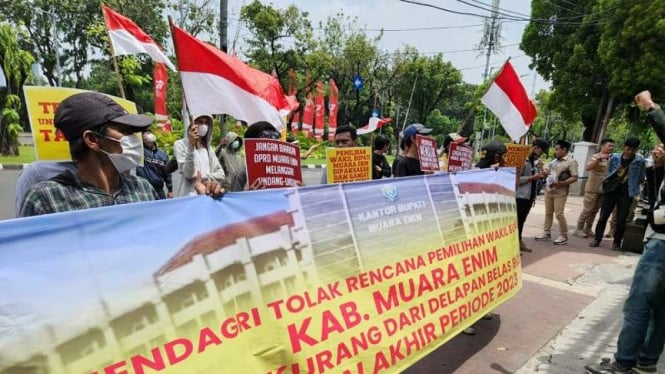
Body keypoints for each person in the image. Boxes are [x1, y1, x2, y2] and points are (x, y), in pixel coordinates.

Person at [19, 92, 222, 217]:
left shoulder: (142, 190)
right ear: (92, 139)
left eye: (134, 133)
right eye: (124, 132)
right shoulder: (47, 199)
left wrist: (210, 202)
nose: (134, 140)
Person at [584, 90, 665, 374]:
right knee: (660, 308)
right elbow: (656, 199)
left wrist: (651, 107)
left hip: (662, 245)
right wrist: (660, 169)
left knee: (639, 304)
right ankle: (646, 361)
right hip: (658, 235)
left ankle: (624, 363)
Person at [589, 138, 646, 250]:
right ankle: (597, 239)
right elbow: (608, 172)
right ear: (624, 147)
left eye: (633, 150)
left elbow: (641, 177)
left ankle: (617, 242)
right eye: (628, 149)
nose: (630, 152)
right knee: (603, 217)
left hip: (627, 192)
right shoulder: (615, 157)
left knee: (621, 219)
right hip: (611, 191)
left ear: (636, 150)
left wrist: (633, 185)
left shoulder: (640, 161)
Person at [534, 140, 578, 245]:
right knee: (548, 213)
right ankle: (546, 232)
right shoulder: (553, 161)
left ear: (564, 150)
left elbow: (575, 177)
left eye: (558, 149)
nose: (555, 151)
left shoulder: (571, 162)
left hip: (560, 192)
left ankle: (564, 235)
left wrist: (561, 183)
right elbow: (546, 173)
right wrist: (541, 168)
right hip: (549, 190)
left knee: (559, 214)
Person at [173, 114, 226, 197]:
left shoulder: (208, 149)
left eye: (206, 123)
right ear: (193, 125)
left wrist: (205, 177)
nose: (204, 126)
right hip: (188, 196)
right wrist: (191, 146)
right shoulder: (180, 144)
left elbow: (221, 174)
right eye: (200, 122)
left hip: (206, 195)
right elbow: (188, 173)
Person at [575, 138, 615, 238]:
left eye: (613, 146)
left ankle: (588, 228)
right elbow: (588, 167)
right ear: (602, 146)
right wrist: (599, 159)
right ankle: (578, 229)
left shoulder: (613, 158)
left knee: (595, 210)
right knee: (587, 209)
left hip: (603, 189)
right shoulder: (595, 157)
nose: (611, 148)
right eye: (609, 145)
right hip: (592, 188)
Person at [516, 139, 549, 252]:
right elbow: (516, 180)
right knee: (515, 221)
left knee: (521, 221)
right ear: (536, 148)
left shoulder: (534, 162)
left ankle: (518, 241)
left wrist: (542, 173)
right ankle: (513, 244)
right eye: (542, 151)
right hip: (520, 197)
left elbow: (537, 178)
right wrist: (532, 178)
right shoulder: (522, 161)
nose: (541, 154)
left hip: (530, 197)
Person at [136, 130, 172, 199]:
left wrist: (170, 190)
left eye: (149, 134)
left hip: (159, 189)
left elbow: (167, 173)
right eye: (145, 135)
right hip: (144, 189)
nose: (148, 136)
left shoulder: (162, 154)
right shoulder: (141, 151)